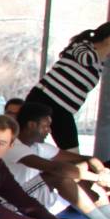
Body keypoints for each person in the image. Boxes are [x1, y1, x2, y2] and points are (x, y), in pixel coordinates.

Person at [4, 100, 110, 219]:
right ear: (31, 125)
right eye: (46, 126)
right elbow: (55, 168)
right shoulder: (14, 146)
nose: (49, 131)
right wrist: (97, 178)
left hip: (34, 200)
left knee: (82, 169)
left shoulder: (40, 146)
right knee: (60, 176)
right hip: (12, 204)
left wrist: (102, 172)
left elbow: (86, 159)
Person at [25, 22, 110, 151]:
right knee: (25, 140)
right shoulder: (83, 45)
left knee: (72, 152)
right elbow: (85, 59)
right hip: (44, 97)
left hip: (64, 109)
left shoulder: (101, 63)